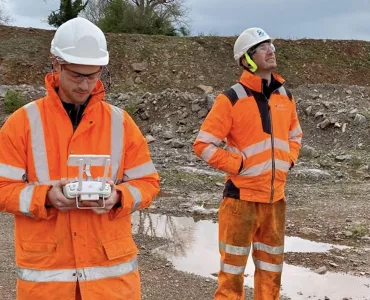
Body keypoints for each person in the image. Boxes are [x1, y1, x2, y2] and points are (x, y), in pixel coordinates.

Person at [0, 17, 159, 300]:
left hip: (111, 283)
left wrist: (118, 197)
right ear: (56, 64)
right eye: (77, 75)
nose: (86, 85)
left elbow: (148, 182)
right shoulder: (22, 122)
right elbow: (2, 188)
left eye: (93, 75)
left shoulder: (120, 123)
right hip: (48, 283)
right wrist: (46, 196)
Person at [193, 27, 303, 299]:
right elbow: (203, 145)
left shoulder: (285, 97)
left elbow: (295, 135)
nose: (271, 51)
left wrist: (288, 160)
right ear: (247, 59)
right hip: (240, 200)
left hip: (275, 200)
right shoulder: (231, 99)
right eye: (262, 47)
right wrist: (238, 165)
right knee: (232, 275)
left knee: (271, 271)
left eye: (271, 46)